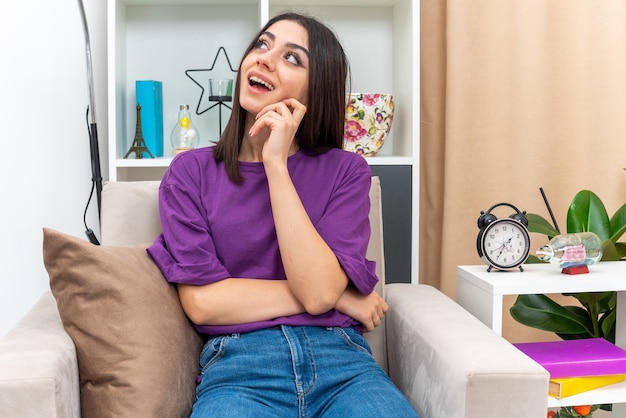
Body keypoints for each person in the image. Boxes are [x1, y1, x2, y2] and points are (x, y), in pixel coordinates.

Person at [147, 11, 419, 418]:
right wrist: (340, 299)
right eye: (262, 44)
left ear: (316, 91)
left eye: (292, 58)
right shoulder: (191, 173)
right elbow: (203, 304)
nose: (264, 59)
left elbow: (317, 292)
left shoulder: (346, 172)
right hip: (240, 369)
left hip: (342, 365)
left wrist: (276, 165)